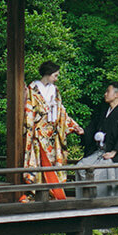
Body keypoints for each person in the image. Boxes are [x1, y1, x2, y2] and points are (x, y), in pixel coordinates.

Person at [22, 60, 83, 200]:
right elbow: (28, 111)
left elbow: (62, 111)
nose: (56, 78)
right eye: (55, 75)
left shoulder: (54, 90)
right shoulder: (32, 89)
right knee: (39, 163)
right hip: (39, 133)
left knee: (54, 163)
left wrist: (74, 126)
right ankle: (37, 193)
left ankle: (53, 193)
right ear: (48, 74)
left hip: (53, 134)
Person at [76, 81, 118, 198]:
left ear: (116, 95)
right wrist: (83, 132)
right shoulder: (103, 112)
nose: (105, 94)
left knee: (98, 173)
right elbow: (93, 128)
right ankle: (83, 200)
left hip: (115, 154)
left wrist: (114, 152)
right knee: (80, 167)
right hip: (99, 152)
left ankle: (100, 201)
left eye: (108, 91)